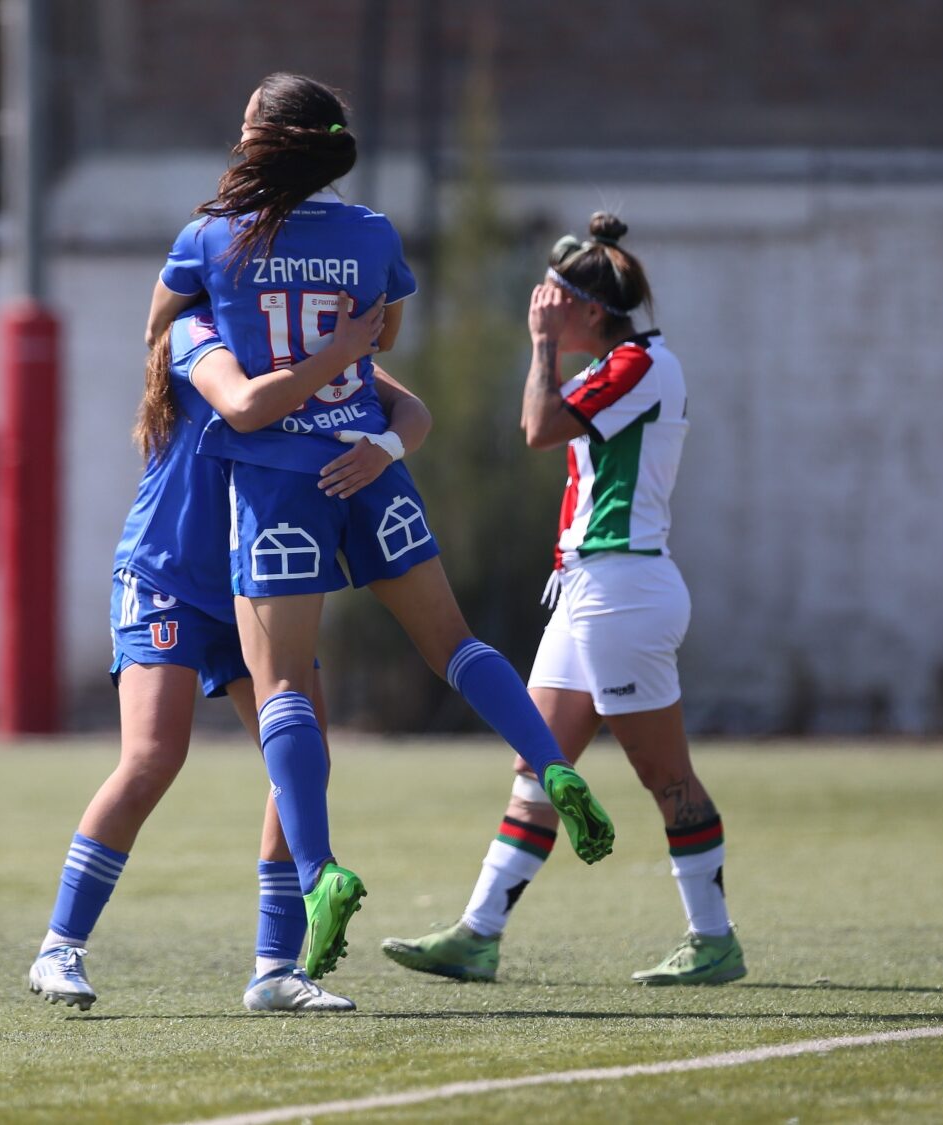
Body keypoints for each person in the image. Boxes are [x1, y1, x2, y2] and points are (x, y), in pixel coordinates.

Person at [144, 73, 616, 982]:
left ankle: (320, 870)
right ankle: (549, 762)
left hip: (280, 480)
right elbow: (382, 338)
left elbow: (167, 325)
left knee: (281, 681)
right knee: (454, 642)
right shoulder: (371, 235)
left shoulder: (209, 239)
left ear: (268, 140)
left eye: (247, 125)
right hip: (366, 460)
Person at [27, 298, 434, 1012]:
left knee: (303, 759)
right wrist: (334, 357)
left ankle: (275, 970)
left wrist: (383, 450)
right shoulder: (196, 332)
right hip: (168, 577)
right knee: (154, 755)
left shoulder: (300, 341)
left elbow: (412, 413)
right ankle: (59, 947)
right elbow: (245, 405)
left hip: (259, 582)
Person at [382, 212, 746, 987]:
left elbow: (540, 428)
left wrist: (541, 345)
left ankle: (714, 939)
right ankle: (478, 933)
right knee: (538, 763)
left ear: (589, 307)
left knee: (664, 774)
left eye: (554, 297)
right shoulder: (613, 363)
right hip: (588, 588)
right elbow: (536, 420)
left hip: (625, 589)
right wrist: (547, 348)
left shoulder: (645, 363)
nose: (541, 306)